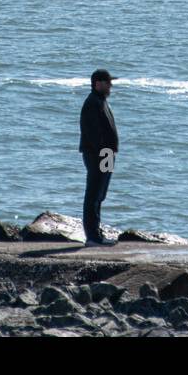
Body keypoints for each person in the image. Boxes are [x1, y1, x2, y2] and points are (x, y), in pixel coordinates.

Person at [79, 68, 119, 246]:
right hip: (99, 155)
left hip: (107, 154)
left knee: (101, 194)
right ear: (98, 83)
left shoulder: (101, 101)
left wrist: (109, 152)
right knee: (94, 194)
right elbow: (92, 134)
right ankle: (92, 237)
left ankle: (97, 233)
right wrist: (103, 152)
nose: (110, 86)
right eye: (108, 82)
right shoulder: (92, 103)